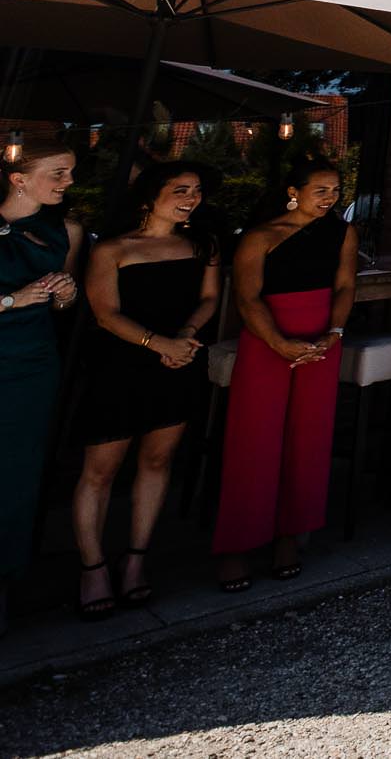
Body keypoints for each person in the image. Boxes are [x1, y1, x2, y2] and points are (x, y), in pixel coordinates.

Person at [74, 158, 221, 616]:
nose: (191, 198)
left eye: (195, 190)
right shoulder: (111, 249)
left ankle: (136, 561)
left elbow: (210, 298)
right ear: (149, 197)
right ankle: (92, 567)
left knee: (158, 461)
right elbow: (105, 314)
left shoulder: (203, 245)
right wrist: (157, 342)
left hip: (178, 361)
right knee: (101, 470)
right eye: (180, 189)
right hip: (120, 365)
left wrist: (184, 337)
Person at [211, 154, 356, 592]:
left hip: (321, 340)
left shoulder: (343, 232)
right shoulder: (260, 236)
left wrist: (335, 331)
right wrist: (277, 342)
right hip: (267, 338)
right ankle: (236, 544)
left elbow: (346, 284)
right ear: (294, 192)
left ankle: (289, 535)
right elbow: (247, 297)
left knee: (307, 437)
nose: (329, 199)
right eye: (320, 190)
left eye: (335, 191)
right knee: (253, 439)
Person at [1, 141, 81, 629]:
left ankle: (5, 583)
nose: (68, 181)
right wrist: (11, 301)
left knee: (17, 475)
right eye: (59, 172)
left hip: (32, 366)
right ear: (19, 179)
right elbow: (19, 297)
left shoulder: (61, 230)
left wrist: (65, 295)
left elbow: (61, 305)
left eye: (70, 172)